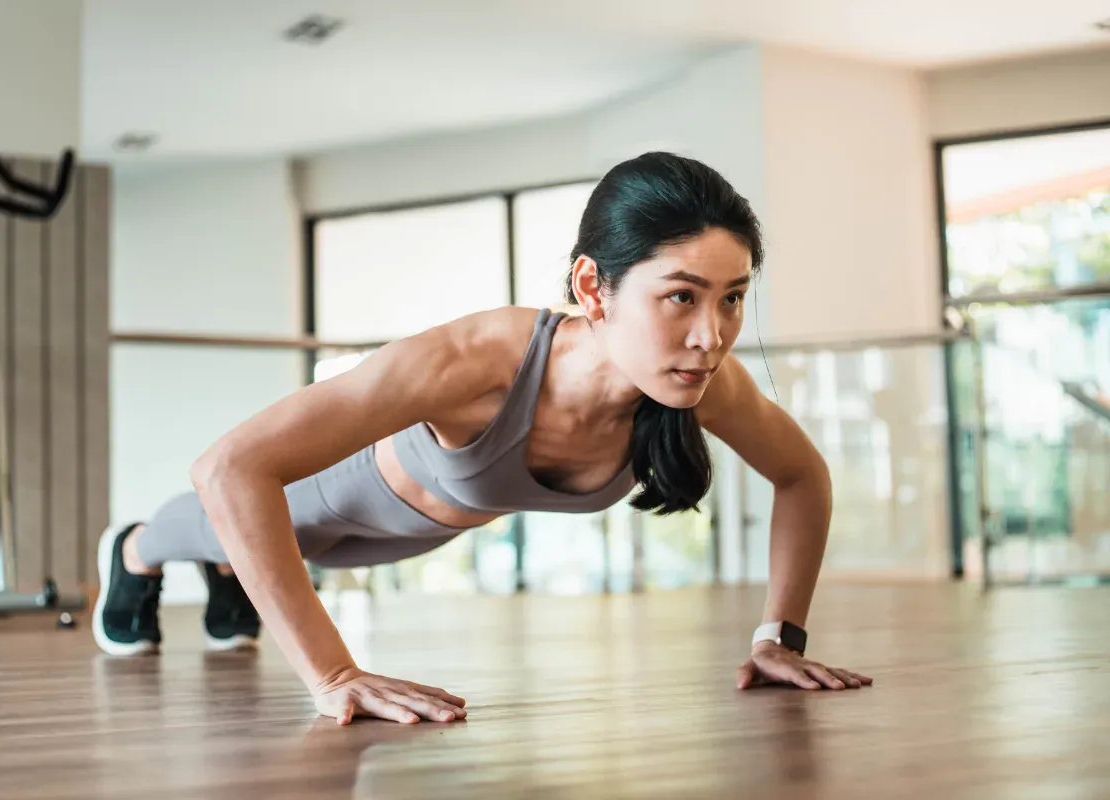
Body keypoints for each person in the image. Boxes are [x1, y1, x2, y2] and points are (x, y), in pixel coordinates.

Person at [92, 151, 872, 726]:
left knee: (255, 546)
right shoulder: (478, 361)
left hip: (417, 531)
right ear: (593, 288)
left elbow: (802, 475)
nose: (712, 336)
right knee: (198, 523)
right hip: (328, 497)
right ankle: (129, 552)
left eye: (733, 299)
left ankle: (230, 566)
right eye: (681, 297)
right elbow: (229, 467)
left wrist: (781, 637)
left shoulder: (700, 384)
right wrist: (332, 675)